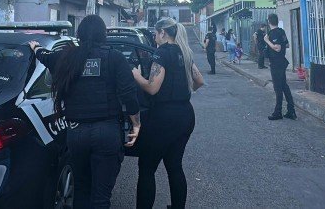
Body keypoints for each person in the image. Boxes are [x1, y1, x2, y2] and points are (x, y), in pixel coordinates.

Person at [28, 15, 141, 209]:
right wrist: (136, 123)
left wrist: (36, 47)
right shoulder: (114, 57)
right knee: (101, 197)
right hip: (107, 132)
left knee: (81, 189)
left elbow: (46, 57)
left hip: (76, 133)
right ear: (103, 34)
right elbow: (129, 94)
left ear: (79, 34)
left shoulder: (67, 57)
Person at [132, 18, 205, 209]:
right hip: (185, 115)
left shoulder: (161, 53)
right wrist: (181, 89)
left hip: (164, 118)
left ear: (163, 33)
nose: (154, 37)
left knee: (147, 168)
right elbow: (199, 81)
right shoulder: (184, 52)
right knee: (174, 166)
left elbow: (152, 88)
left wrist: (137, 76)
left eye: (155, 34)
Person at [264, 14, 296, 121]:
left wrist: (267, 41)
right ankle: (291, 111)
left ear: (269, 22)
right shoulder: (281, 31)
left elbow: (277, 48)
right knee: (284, 86)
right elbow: (286, 45)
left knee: (278, 88)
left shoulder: (273, 33)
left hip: (276, 63)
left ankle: (278, 112)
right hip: (281, 62)